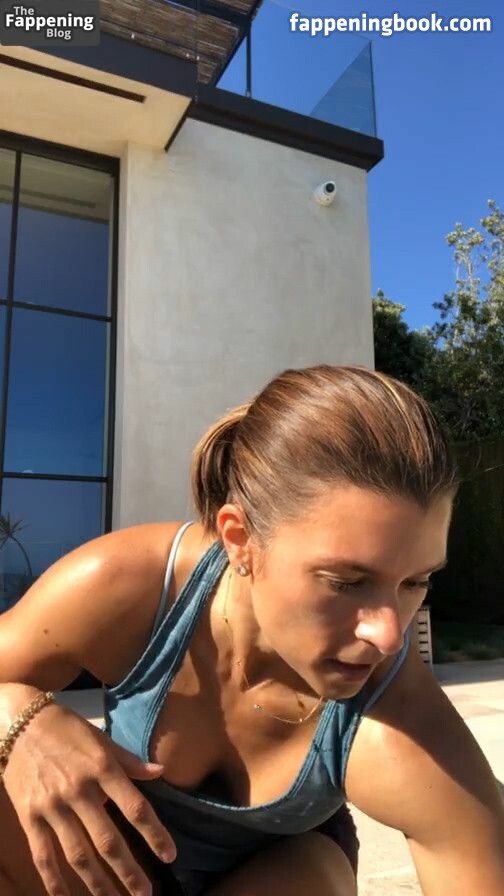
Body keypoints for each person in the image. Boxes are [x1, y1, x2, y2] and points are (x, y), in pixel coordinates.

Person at [0, 365, 503, 896]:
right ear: (239, 539)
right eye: (347, 581)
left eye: (416, 581)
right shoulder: (130, 587)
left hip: (282, 875)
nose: (389, 636)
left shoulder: (400, 727)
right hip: (121, 858)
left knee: (311, 876)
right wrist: (16, 715)